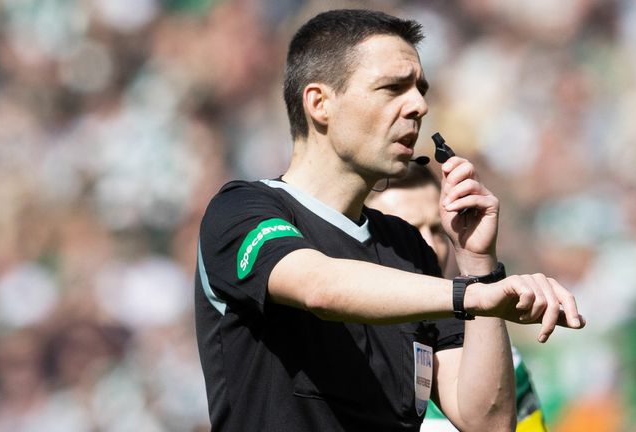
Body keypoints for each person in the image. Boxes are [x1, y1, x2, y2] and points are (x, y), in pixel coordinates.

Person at [195, 9, 584, 431]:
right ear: (319, 103)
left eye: (420, 89)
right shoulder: (242, 211)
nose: (419, 105)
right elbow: (321, 288)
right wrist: (469, 295)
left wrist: (478, 267)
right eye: (392, 88)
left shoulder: (408, 248)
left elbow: (488, 423)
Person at [367, 163, 548, 432]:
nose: (429, 245)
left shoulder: (497, 358)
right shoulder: (341, 346)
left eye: (437, 230)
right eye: (407, 230)